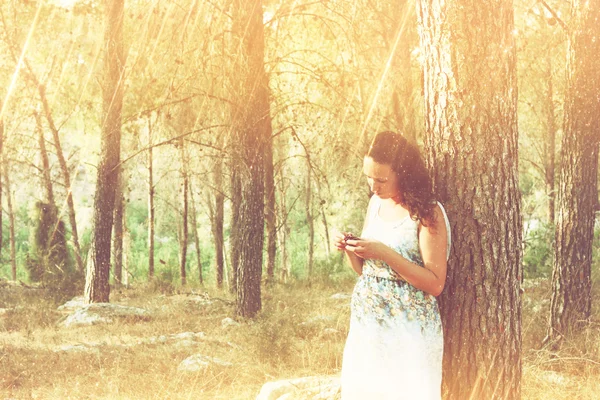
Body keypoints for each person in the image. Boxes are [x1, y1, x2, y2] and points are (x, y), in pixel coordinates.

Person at [334, 131, 451, 400]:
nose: (373, 186)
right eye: (368, 177)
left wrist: (385, 253)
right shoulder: (375, 204)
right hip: (368, 327)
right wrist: (351, 249)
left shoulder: (427, 212)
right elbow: (367, 272)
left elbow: (435, 283)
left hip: (408, 330)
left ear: (404, 173)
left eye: (381, 179)